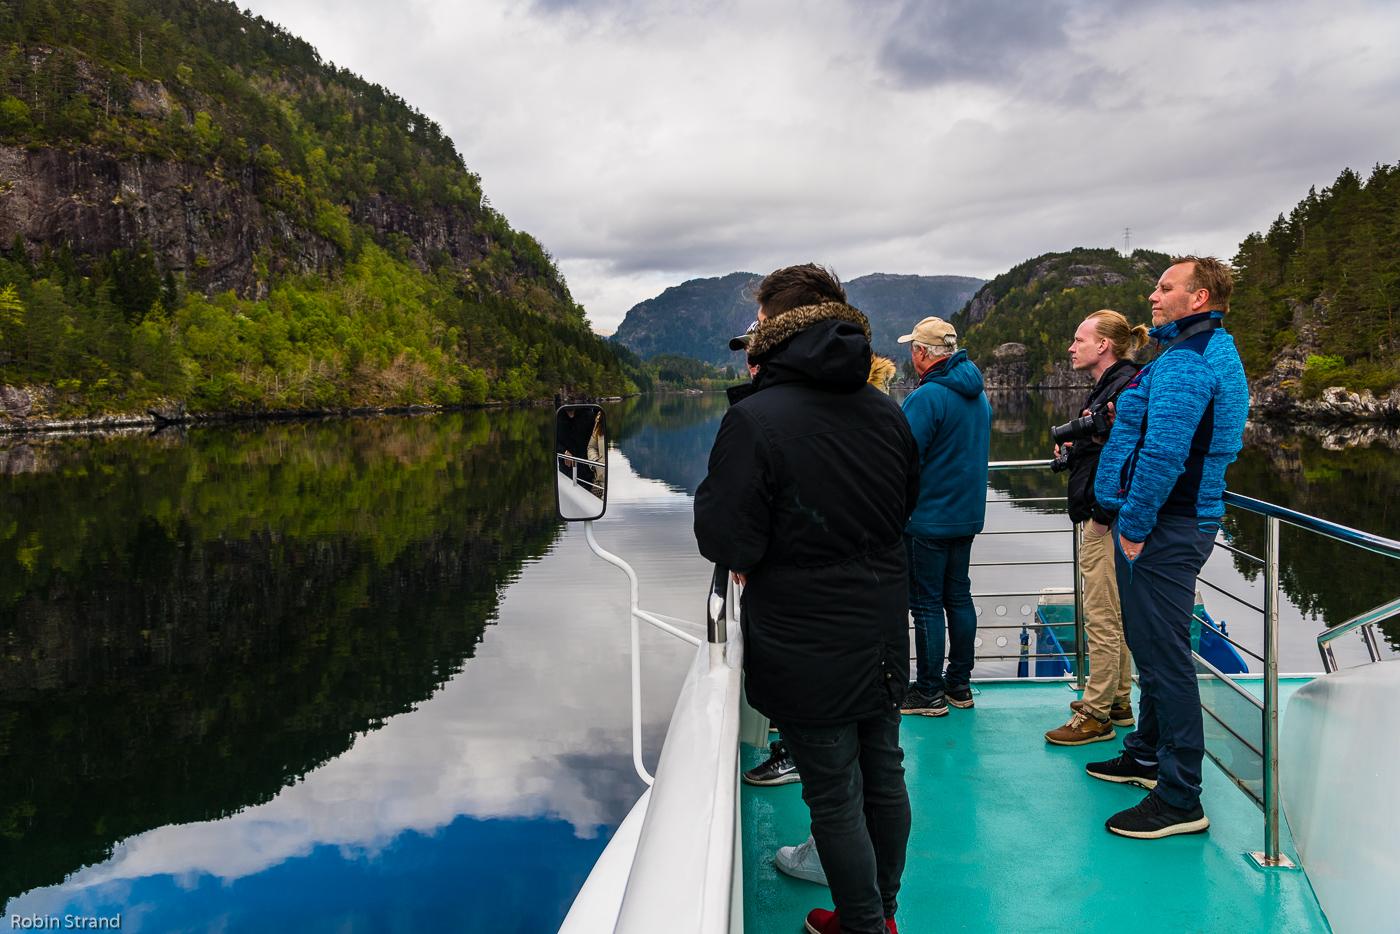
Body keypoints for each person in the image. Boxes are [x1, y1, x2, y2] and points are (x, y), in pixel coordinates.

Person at [695, 263, 919, 934]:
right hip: (881, 622)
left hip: (803, 631)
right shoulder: (884, 410)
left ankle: (861, 925)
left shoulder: (756, 420)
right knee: (884, 773)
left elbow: (727, 537)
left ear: (776, 329)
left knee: (833, 791)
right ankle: (885, 914)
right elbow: (904, 503)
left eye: (758, 321)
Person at [1087, 256, 1249, 839]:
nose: (1153, 296)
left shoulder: (1189, 362)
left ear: (1199, 297)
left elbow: (1164, 455)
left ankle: (1180, 797)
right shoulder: (1190, 353)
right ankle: (1146, 753)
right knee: (1153, 646)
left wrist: (1131, 524)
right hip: (1171, 523)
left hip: (1164, 528)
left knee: (1164, 658)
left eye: (1165, 287)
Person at [1044, 310, 1148, 746]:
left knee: (1101, 616)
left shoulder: (1124, 388)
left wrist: (1101, 520)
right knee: (1113, 612)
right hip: (1106, 514)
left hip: (1105, 519)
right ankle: (1120, 699)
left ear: (1103, 345)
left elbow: (1128, 452)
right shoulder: (1117, 386)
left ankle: (1096, 713)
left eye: (1079, 339)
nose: (1071, 347)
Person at [896, 317, 992, 717]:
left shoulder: (927, 398)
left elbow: (903, 458)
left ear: (921, 353)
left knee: (926, 606)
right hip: (966, 516)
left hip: (929, 519)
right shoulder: (978, 395)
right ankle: (960, 684)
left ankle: (929, 692)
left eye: (912, 349)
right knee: (959, 597)